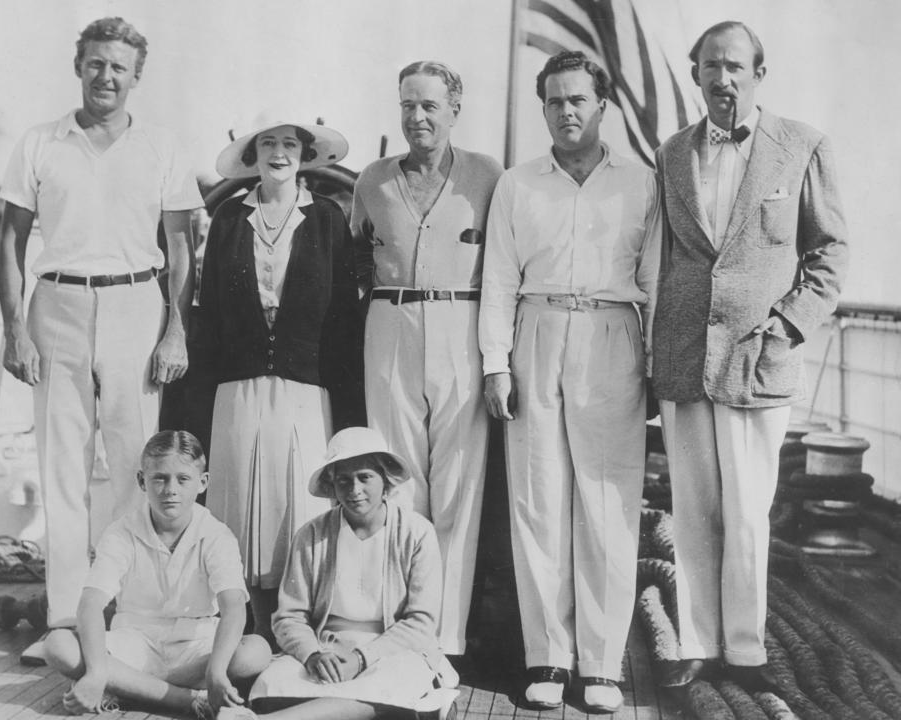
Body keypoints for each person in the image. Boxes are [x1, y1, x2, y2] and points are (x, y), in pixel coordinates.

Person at [652, 22, 848, 691]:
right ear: (696, 75)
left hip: (756, 360)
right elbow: (667, 256)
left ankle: (747, 653)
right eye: (711, 66)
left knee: (746, 514)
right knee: (694, 512)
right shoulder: (672, 152)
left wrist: (789, 327)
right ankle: (698, 644)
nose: (723, 78)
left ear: (759, 73)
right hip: (683, 360)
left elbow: (829, 253)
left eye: (735, 66)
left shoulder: (802, 146)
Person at [0, 17, 202, 650]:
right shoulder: (40, 142)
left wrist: (175, 331)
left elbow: (182, 247)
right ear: (78, 66)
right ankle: (64, 621)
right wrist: (14, 330)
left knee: (139, 465)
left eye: (118, 66)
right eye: (95, 63)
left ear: (136, 76)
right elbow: (8, 239)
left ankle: (128, 615)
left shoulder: (162, 146)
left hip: (137, 304)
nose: (105, 76)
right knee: (62, 468)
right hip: (54, 304)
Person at [479, 51, 661, 712]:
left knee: (606, 504)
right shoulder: (518, 184)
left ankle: (603, 665)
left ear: (601, 104)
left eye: (577, 99)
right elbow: (498, 279)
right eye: (554, 101)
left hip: (613, 335)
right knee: (537, 501)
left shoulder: (641, 184)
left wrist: (656, 367)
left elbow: (658, 282)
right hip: (536, 331)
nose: (565, 112)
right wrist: (496, 364)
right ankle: (549, 658)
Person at [351, 61, 502, 662]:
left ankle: (446, 637)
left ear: (454, 109)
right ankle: (399, 627)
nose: (417, 117)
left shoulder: (488, 177)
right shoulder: (372, 179)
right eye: (407, 105)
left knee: (460, 486)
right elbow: (356, 255)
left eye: (430, 106)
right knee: (396, 480)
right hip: (389, 322)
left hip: (462, 323)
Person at [197, 115, 364, 645]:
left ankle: (298, 625)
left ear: (304, 154)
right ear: (253, 155)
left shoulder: (328, 219)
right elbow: (212, 303)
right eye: (267, 143)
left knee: (300, 500)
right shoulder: (228, 216)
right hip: (239, 384)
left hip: (306, 386)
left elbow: (343, 311)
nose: (278, 153)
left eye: (289, 144)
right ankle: (238, 627)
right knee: (240, 499)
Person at [42, 430, 271, 719]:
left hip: (195, 648)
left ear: (203, 483)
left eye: (182, 479)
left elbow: (234, 607)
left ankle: (130, 688)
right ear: (141, 481)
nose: (170, 489)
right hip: (135, 643)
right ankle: (185, 701)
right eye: (159, 478)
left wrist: (215, 671)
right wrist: (98, 671)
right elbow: (90, 604)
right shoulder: (121, 532)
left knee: (256, 650)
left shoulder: (216, 535)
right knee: (58, 645)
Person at [249, 427, 457, 720]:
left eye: (365, 477)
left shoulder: (417, 532)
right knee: (270, 686)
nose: (354, 490)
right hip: (327, 647)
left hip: (392, 650)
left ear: (385, 480)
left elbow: (421, 622)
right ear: (332, 487)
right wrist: (313, 655)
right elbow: (289, 616)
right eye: (343, 481)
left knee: (392, 682)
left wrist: (361, 659)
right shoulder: (311, 534)